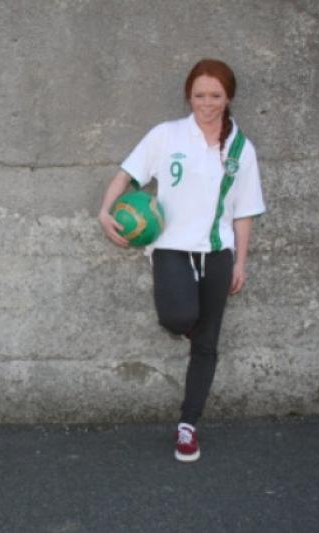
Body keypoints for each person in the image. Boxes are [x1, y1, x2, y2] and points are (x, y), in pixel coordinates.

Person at [98, 59, 265, 462]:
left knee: (207, 344)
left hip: (217, 251)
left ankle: (188, 426)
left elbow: (244, 211)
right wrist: (105, 210)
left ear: (228, 98)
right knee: (176, 317)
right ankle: (193, 330)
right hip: (171, 246)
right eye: (199, 95)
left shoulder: (241, 149)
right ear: (188, 96)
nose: (207, 103)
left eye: (215, 95)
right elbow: (128, 173)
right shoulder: (166, 135)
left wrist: (241, 261)